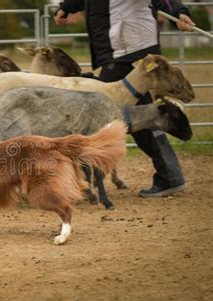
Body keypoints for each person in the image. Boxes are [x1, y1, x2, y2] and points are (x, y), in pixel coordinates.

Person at [53, 0, 196, 198]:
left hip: (131, 51)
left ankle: (82, 181)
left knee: (97, 113)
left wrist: (178, 12)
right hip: (120, 50)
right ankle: (170, 175)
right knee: (141, 117)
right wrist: (67, 7)